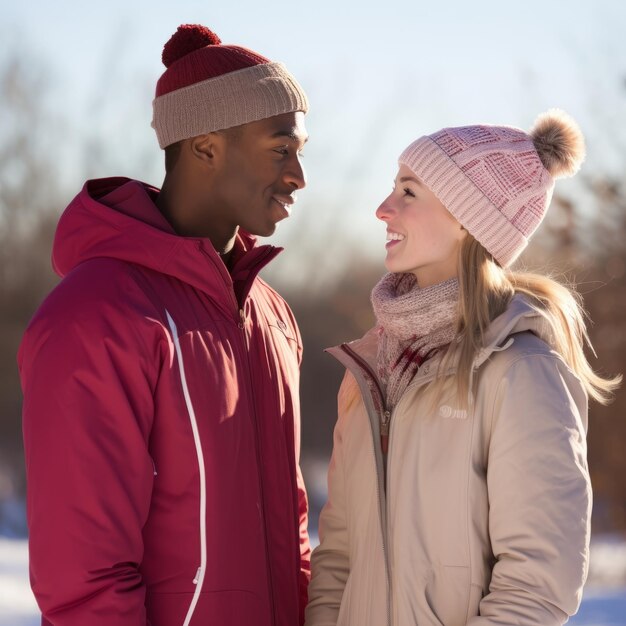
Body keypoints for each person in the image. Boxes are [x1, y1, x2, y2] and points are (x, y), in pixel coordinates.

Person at [19, 24, 310, 626]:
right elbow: (82, 574)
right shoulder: (99, 315)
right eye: (281, 149)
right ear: (205, 146)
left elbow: (292, 525)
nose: (299, 176)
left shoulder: (271, 317)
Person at [305, 110, 621, 625]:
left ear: (465, 218)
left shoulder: (520, 372)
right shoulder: (371, 370)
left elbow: (537, 586)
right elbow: (339, 555)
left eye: (409, 192)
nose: (384, 209)